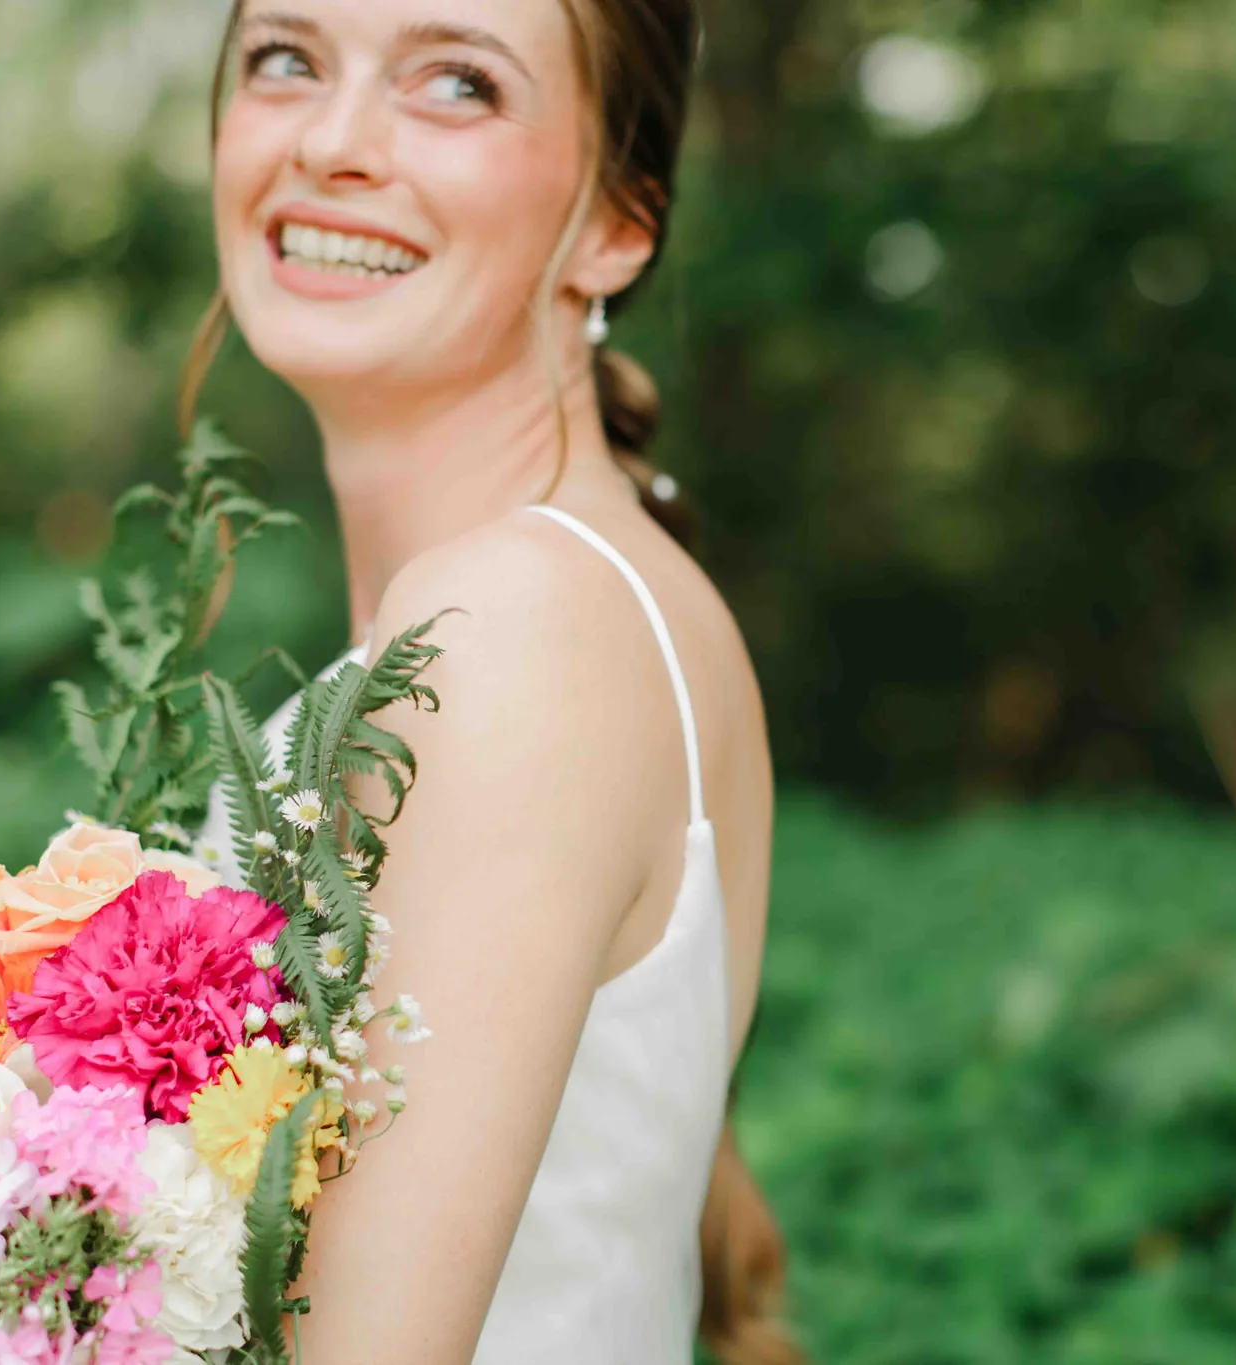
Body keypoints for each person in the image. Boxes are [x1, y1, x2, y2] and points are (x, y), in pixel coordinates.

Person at [186, 2, 802, 1361]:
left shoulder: (521, 625)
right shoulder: (559, 601)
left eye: (455, 82)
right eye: (285, 58)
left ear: (617, 225)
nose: (331, 142)